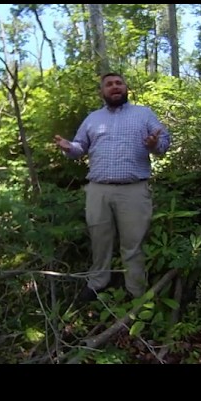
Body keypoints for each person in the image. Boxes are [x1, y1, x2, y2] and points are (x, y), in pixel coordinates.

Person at [54, 72, 171, 304]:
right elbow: (80, 148)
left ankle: (136, 292)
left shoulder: (143, 114)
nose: (114, 87)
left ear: (126, 88)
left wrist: (155, 144)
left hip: (134, 190)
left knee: (133, 244)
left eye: (119, 83)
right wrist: (68, 147)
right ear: (102, 91)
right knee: (99, 240)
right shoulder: (92, 118)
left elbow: (164, 143)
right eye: (109, 84)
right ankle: (98, 283)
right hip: (98, 190)